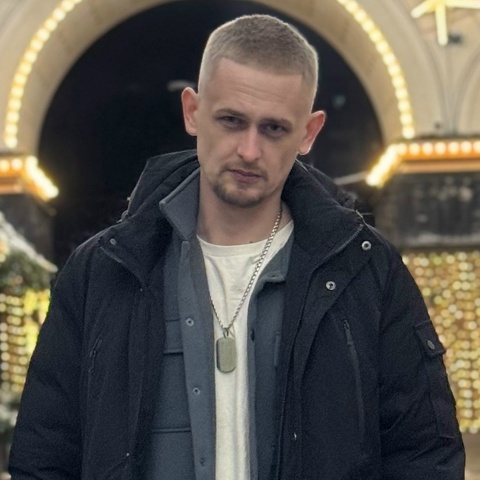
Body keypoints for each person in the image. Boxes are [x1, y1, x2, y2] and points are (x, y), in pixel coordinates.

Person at [9, 14, 465, 480]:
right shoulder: (102, 273)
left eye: (274, 129)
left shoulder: (368, 271)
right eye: (231, 120)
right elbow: (45, 457)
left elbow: (424, 455)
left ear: (308, 133)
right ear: (192, 111)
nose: (249, 150)